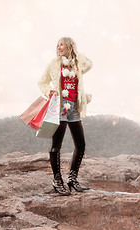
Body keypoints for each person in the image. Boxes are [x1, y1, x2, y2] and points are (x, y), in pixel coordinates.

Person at [38, 37, 93, 196]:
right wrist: (50, 91)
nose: (59, 47)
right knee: (56, 145)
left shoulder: (77, 64)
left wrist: (76, 52)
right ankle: (57, 181)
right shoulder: (54, 64)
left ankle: (72, 179)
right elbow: (41, 82)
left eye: (62, 44)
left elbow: (88, 64)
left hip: (74, 108)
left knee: (81, 145)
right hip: (60, 108)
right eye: (57, 45)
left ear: (69, 46)